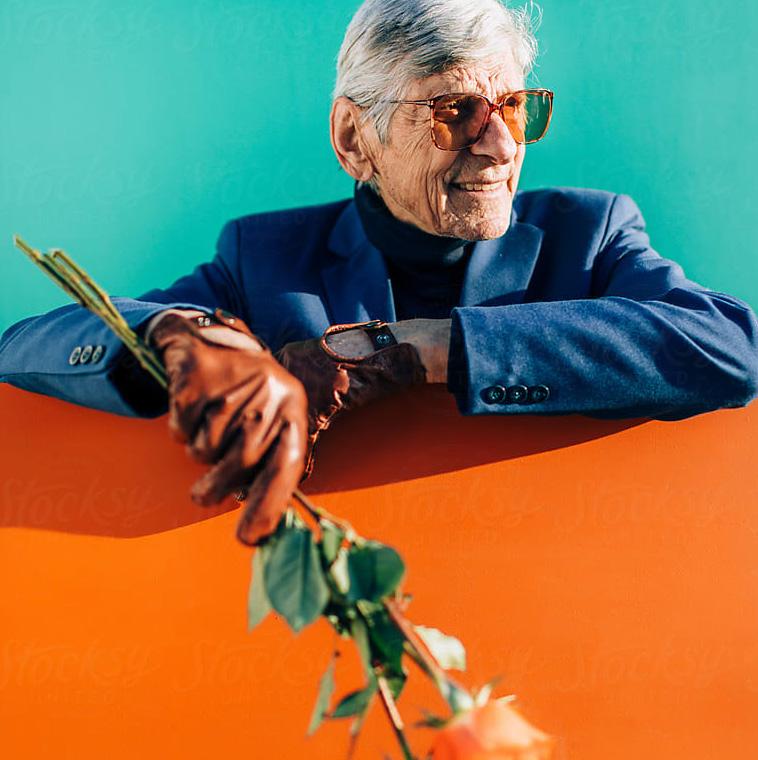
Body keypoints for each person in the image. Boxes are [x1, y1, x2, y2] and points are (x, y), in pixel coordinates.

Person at [2, 0, 757, 546]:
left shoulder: (588, 235)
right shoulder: (265, 259)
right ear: (353, 138)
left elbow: (728, 346)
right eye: (456, 111)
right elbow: (24, 346)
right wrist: (185, 337)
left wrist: (412, 348)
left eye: (514, 106)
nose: (501, 145)